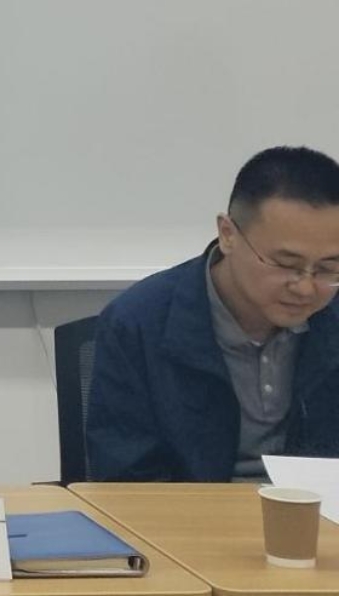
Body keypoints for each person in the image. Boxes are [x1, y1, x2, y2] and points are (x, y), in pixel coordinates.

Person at [88, 146, 339, 481]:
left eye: (328, 268)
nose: (305, 288)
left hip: (315, 509)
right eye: (285, 264)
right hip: (189, 510)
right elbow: (127, 478)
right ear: (228, 235)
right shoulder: (137, 324)